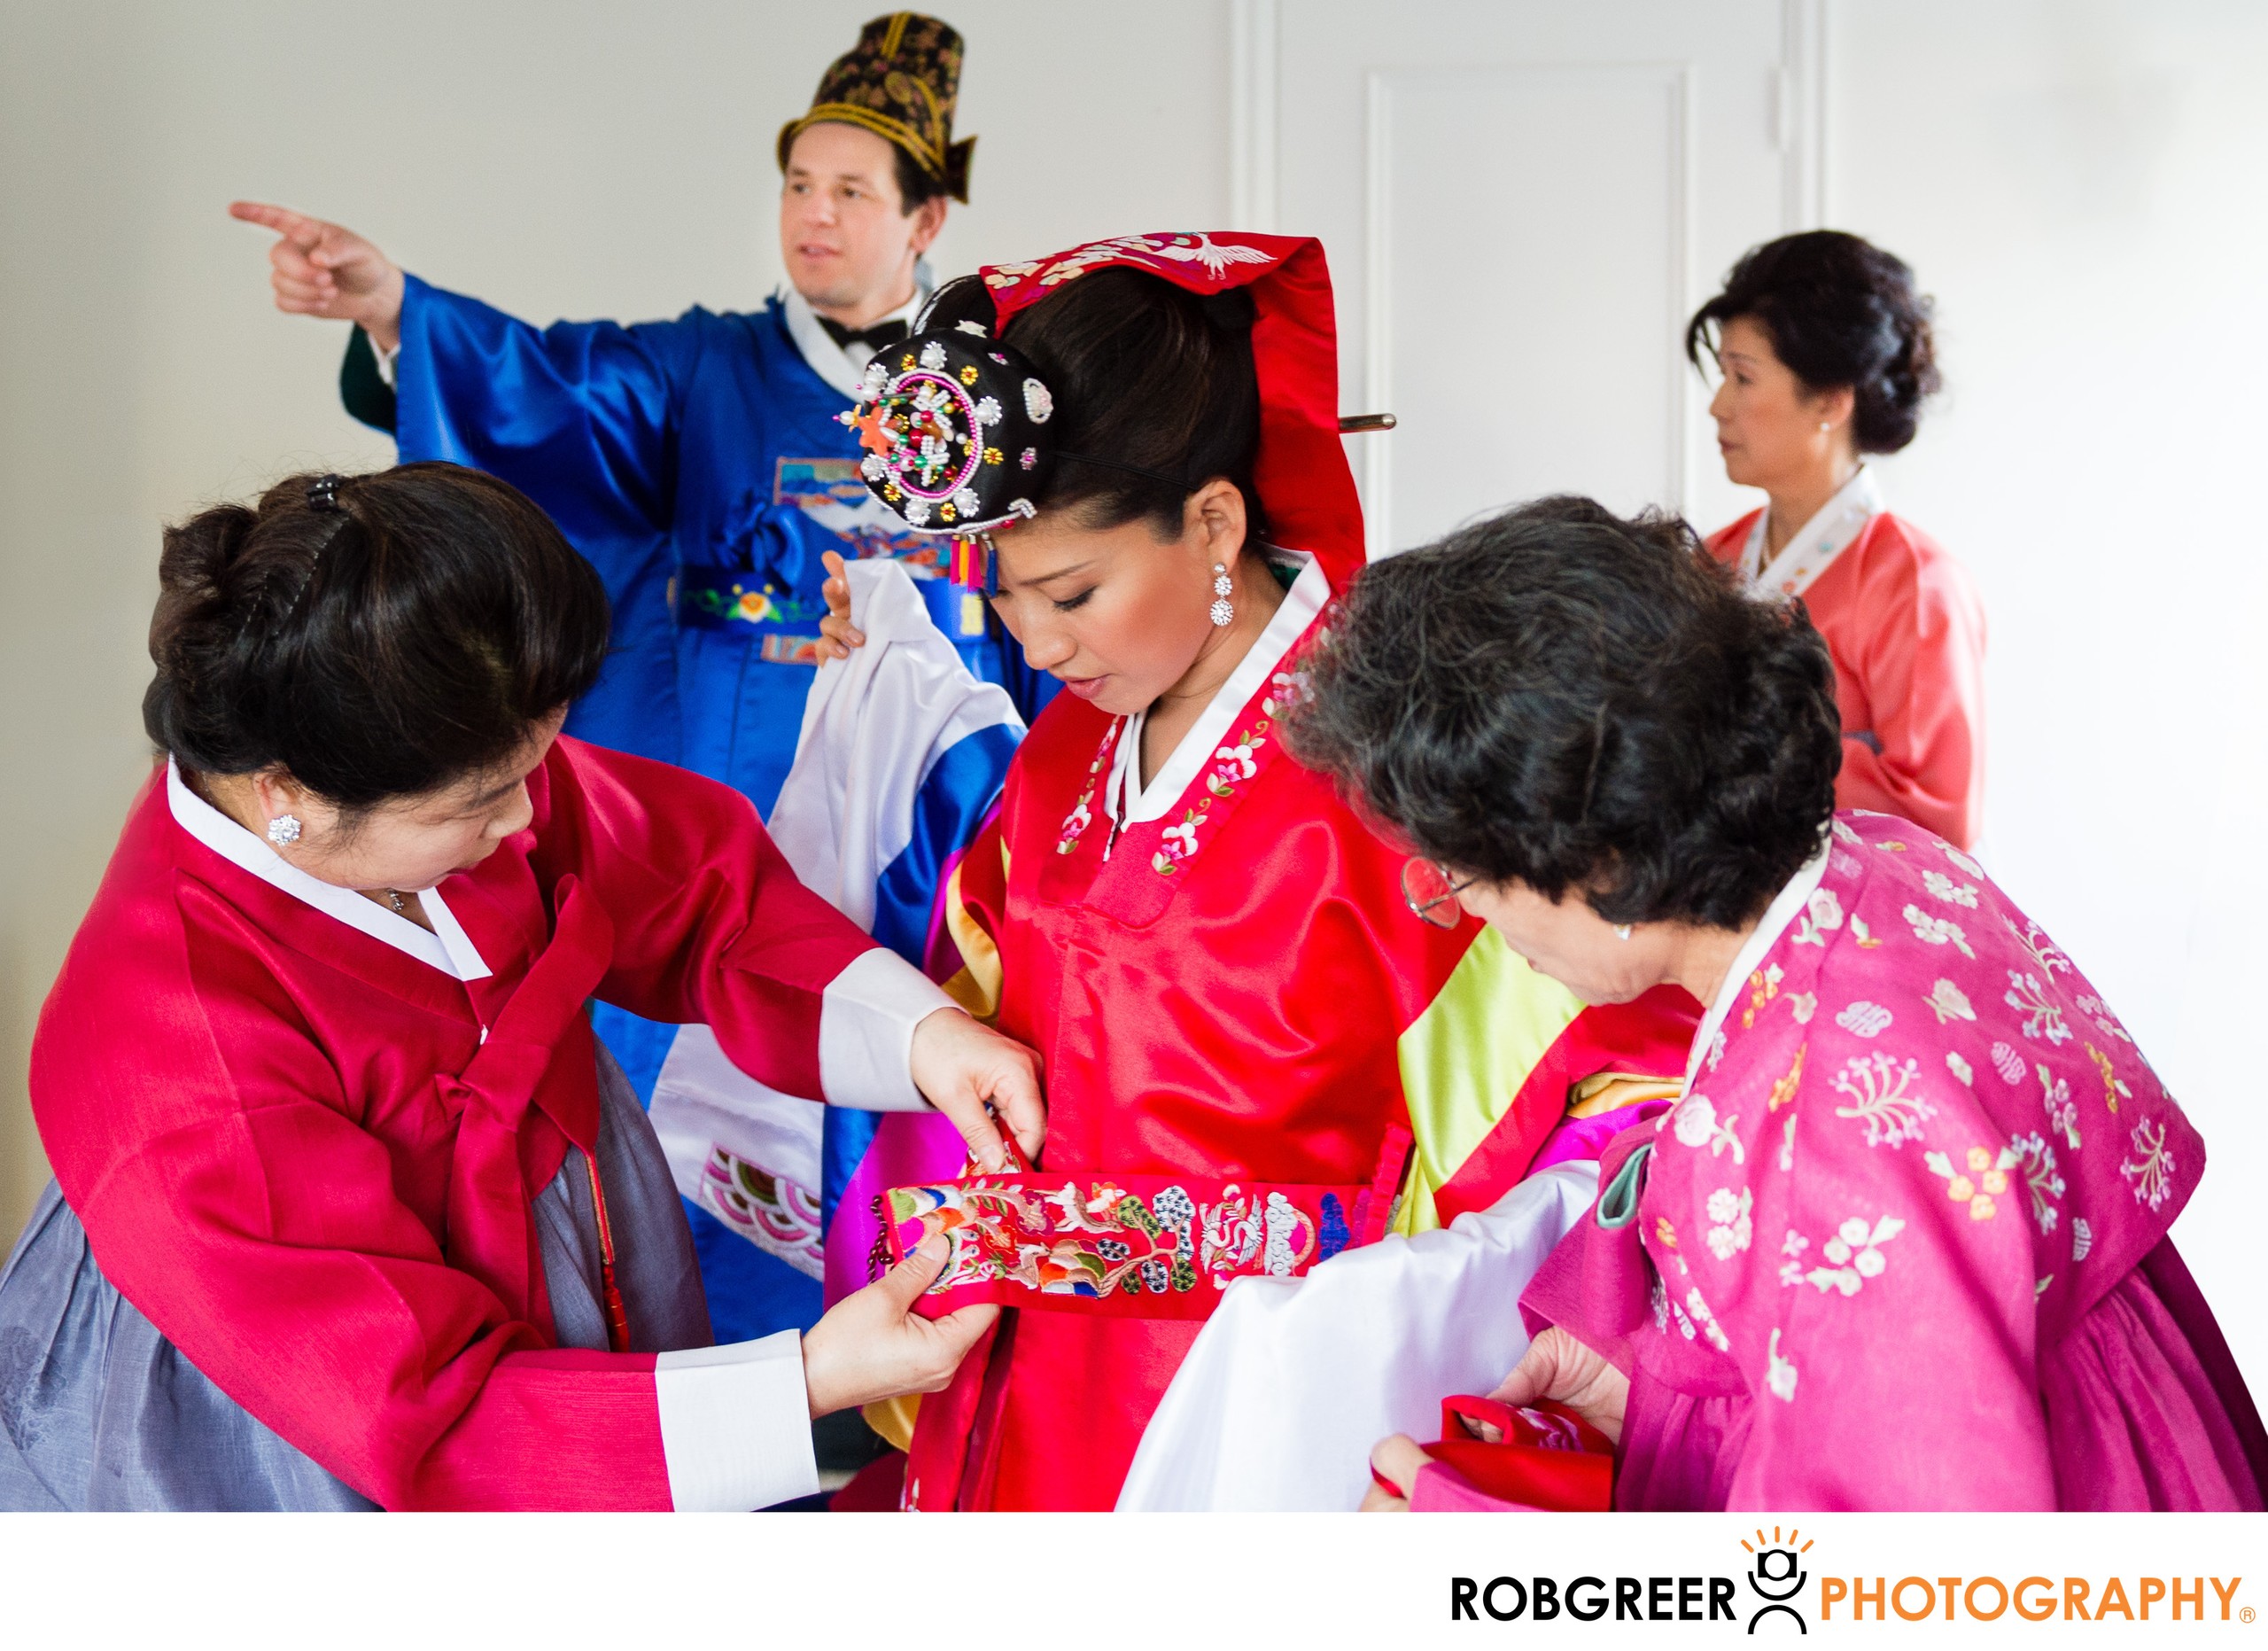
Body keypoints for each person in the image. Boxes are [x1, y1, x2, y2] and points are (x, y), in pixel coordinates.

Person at [815, 235, 1699, 1511]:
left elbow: (1607, 1060)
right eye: (1007, 599)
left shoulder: (1399, 764)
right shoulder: (1070, 737)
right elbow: (989, 975)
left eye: (1074, 589)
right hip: (1024, 1373)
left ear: (1216, 521)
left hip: (1271, 1399)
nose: (1040, 641)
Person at [0, 463, 1047, 1511]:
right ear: (287, 796)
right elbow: (429, 1424)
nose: (526, 819)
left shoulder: (419, 768)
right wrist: (803, 1384)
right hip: (314, 1395)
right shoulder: (178, 1058)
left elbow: (686, 885)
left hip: (561, 1240)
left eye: (531, 769)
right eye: (486, 799)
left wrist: (925, 1039)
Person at [229, 13, 1033, 1349]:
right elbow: (550, 394)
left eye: (849, 192)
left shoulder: (991, 402)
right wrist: (391, 307)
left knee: (906, 1079)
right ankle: (689, 1410)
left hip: (915, 832)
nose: (813, 219)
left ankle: (893, 1376)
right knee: (677, 1133)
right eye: (797, 186)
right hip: (714, 819)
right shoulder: (703, 371)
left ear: (927, 216)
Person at [1280, 495, 2265, 1510]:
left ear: (1601, 859)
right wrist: (1652, 1356)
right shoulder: (1887, 865)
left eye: (1461, 877)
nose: (1467, 917)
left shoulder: (1832, 1123)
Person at [1689, 230, 1987, 849]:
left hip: (1858, 930)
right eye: (1722, 375)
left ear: (1829, 398)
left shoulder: (1914, 582)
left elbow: (1940, 818)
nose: (1718, 406)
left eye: (1743, 378)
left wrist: (1740, 753)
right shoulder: (1708, 561)